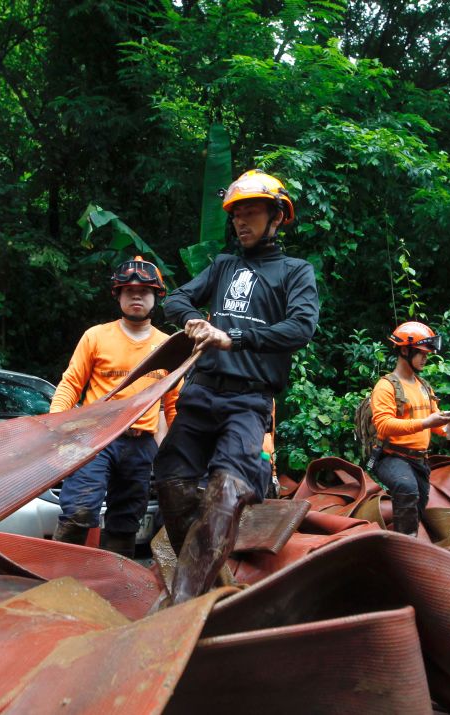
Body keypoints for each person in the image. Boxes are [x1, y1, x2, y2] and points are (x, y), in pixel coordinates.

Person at [154, 169, 319, 604]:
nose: (241, 223)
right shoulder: (223, 266)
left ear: (277, 217)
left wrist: (236, 337)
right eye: (237, 215)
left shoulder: (295, 271)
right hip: (201, 390)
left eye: (251, 213)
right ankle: (211, 578)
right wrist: (190, 318)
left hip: (248, 398)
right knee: (171, 479)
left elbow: (302, 327)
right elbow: (175, 298)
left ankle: (185, 603)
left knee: (227, 489)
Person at [49, 256, 178, 558]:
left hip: (141, 445)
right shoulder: (96, 336)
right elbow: (70, 384)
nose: (137, 296)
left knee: (125, 524)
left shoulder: (169, 346)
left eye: (145, 291)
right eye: (129, 290)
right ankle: (54, 577)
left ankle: (113, 588)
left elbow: (173, 405)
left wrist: (176, 452)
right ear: (117, 295)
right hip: (96, 439)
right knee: (79, 513)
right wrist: (55, 427)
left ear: (156, 297)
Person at [371, 322, 450, 537]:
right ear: (405, 350)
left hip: (419, 460)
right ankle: (405, 549)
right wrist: (426, 423)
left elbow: (437, 425)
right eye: (422, 353)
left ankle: (404, 538)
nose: (426, 358)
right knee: (407, 490)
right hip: (391, 456)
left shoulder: (424, 386)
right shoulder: (386, 386)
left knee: (420, 502)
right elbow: (384, 426)